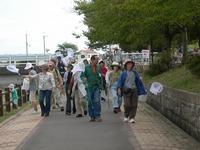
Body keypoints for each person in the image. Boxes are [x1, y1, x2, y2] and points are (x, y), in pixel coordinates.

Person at [81, 55, 103, 122]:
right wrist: (83, 79)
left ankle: (97, 115)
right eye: (97, 60)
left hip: (96, 86)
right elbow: (82, 75)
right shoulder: (86, 67)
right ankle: (92, 116)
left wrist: (101, 85)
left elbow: (100, 76)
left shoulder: (98, 67)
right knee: (90, 102)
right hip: (89, 87)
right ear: (92, 60)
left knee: (96, 100)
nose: (98, 61)